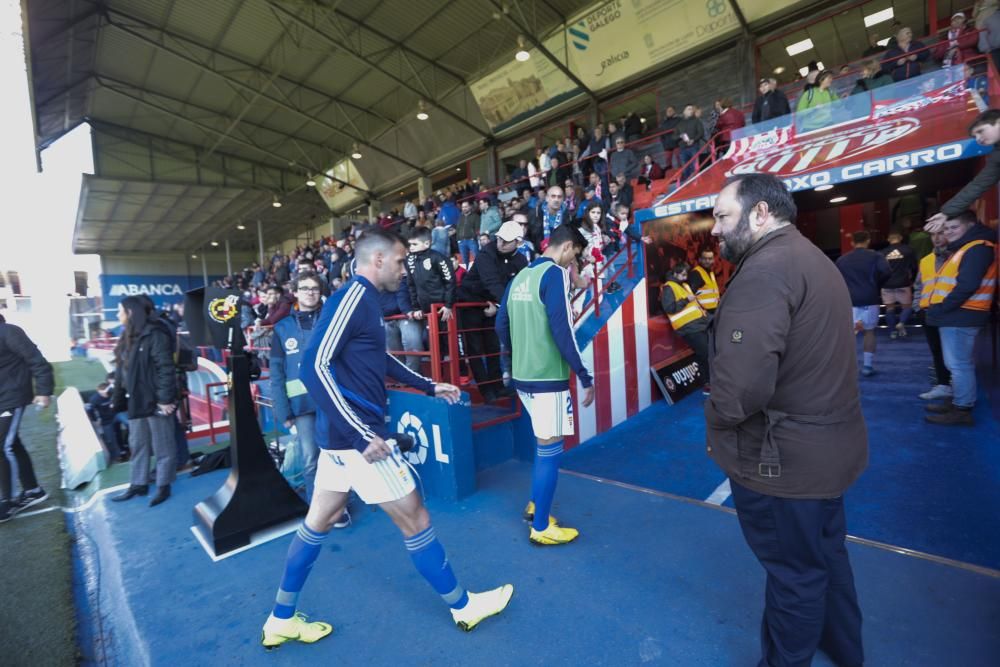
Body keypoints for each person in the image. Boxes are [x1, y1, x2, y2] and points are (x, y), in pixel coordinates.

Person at [260, 229, 513, 648]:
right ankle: (463, 606)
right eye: (399, 262)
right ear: (376, 260)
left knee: (316, 523)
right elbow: (313, 367)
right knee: (416, 517)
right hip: (357, 444)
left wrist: (431, 386)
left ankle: (280, 618)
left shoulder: (367, 302)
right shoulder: (353, 297)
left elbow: (380, 359)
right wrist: (362, 435)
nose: (404, 268)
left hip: (340, 444)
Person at [707, 173, 867, 667]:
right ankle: (843, 651)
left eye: (722, 216)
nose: (714, 229)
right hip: (826, 453)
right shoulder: (812, 259)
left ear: (760, 213)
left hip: (785, 465)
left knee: (794, 575)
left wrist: (715, 413)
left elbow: (739, 392)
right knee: (825, 558)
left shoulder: (765, 271)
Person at [496, 223, 595, 546]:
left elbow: (501, 324)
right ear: (566, 247)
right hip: (548, 378)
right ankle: (540, 526)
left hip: (524, 377)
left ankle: (535, 505)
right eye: (575, 256)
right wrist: (583, 375)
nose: (572, 263)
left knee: (543, 445)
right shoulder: (554, 274)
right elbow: (562, 329)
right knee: (551, 451)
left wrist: (515, 357)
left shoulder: (520, 276)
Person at [269, 273, 337, 513]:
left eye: (315, 288)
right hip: (302, 406)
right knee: (311, 460)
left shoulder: (331, 321)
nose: (310, 292)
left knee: (338, 455)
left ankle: (340, 504)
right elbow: (276, 373)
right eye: (305, 288)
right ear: (295, 293)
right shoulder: (282, 328)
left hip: (332, 400)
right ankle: (317, 507)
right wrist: (282, 410)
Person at [924, 211, 997, 426]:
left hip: (961, 314)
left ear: (971, 225)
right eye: (946, 229)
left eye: (953, 228)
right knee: (958, 363)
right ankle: (959, 402)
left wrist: (942, 308)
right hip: (960, 314)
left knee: (958, 365)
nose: (948, 233)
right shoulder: (968, 248)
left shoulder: (977, 248)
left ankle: (962, 409)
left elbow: (967, 285)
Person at [111, 296, 178, 507]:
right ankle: (138, 484)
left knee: (163, 445)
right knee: (137, 444)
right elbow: (121, 372)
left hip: (156, 400)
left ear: (130, 312)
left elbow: (166, 368)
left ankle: (163, 485)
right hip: (136, 401)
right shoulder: (126, 337)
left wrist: (165, 399)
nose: (117, 315)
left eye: (119, 311)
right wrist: (117, 399)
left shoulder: (155, 333)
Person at [456, 220, 527, 403]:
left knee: (493, 347)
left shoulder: (521, 260)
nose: (501, 243)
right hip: (470, 302)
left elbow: (521, 286)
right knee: (475, 349)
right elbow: (492, 282)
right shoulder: (486, 253)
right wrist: (504, 306)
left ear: (518, 243)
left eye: (507, 241)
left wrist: (499, 306)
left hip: (495, 304)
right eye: (499, 239)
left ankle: (497, 386)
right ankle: (485, 389)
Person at [0, 315, 53, 523]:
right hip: (3, 399)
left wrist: (44, 391)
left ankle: (8, 501)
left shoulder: (9, 331)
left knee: (3, 447)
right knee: (12, 444)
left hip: (12, 398)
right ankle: (33, 490)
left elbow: (37, 361)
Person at [926, 109, 1000, 232]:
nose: (978, 139)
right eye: (975, 136)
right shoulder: (996, 157)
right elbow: (978, 185)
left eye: (980, 131)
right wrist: (946, 213)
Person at [835, 231, 891, 376]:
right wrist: (876, 285)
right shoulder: (876, 256)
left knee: (847, 334)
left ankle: (843, 367)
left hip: (849, 300)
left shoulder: (842, 260)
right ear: (868, 240)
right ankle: (867, 366)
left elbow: (836, 279)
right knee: (869, 332)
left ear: (852, 242)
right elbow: (886, 272)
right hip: (869, 298)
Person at [912, 230, 953, 401]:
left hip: (951, 313)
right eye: (933, 234)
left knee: (953, 355)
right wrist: (917, 308)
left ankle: (957, 388)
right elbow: (919, 285)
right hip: (928, 312)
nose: (936, 238)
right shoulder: (926, 260)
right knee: (936, 351)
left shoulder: (958, 257)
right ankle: (943, 385)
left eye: (941, 233)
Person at [405, 226, 456, 360]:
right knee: (431, 340)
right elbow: (411, 285)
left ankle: (458, 372)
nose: (411, 247)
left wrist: (448, 304)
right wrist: (416, 308)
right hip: (425, 310)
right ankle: (437, 370)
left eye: (414, 244)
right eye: (410, 244)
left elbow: (450, 281)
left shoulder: (439, 258)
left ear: (427, 243)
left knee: (448, 338)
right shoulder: (410, 260)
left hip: (442, 308)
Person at [660, 263, 711, 394]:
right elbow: (669, 308)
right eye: (682, 274)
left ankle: (709, 383)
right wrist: (686, 300)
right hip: (688, 328)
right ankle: (708, 384)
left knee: (706, 354)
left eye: (686, 274)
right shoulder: (668, 287)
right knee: (705, 354)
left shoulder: (683, 285)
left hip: (698, 325)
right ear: (675, 273)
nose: (685, 277)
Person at [880, 229, 918, 339]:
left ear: (888, 239)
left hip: (887, 284)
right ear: (901, 238)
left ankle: (892, 332)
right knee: (907, 307)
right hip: (903, 282)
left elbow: (879, 270)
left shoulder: (882, 253)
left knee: (889, 309)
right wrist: (913, 280)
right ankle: (901, 323)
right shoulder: (908, 250)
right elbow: (914, 267)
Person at [88, 381, 125, 463]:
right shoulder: (94, 399)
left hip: (116, 414)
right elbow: (91, 410)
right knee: (110, 438)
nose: (106, 394)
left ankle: (124, 448)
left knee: (128, 423)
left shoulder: (113, 393)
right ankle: (116, 456)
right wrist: (96, 420)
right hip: (106, 420)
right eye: (104, 393)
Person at [687, 247, 721, 314]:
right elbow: (690, 296)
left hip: (713, 312)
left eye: (710, 259)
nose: (707, 261)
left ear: (713, 260)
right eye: (705, 259)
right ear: (700, 259)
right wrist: (700, 311)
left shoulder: (711, 273)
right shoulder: (696, 273)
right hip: (704, 314)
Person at [676, 105, 705, 180]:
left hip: (694, 146)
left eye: (692, 109)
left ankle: (698, 182)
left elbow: (701, 133)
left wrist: (693, 140)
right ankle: (689, 185)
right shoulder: (679, 124)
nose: (691, 110)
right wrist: (680, 136)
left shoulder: (696, 121)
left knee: (695, 166)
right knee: (685, 169)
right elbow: (673, 136)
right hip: (683, 148)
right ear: (684, 112)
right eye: (689, 109)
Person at [456, 199, 480, 268]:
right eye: (463, 207)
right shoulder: (460, 217)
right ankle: (466, 274)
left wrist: (473, 237)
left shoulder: (475, 216)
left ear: (470, 207)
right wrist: (458, 239)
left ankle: (480, 272)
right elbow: (458, 228)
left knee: (477, 258)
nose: (464, 208)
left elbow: (477, 229)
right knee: (464, 261)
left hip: (471, 240)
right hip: (461, 241)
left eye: (466, 206)